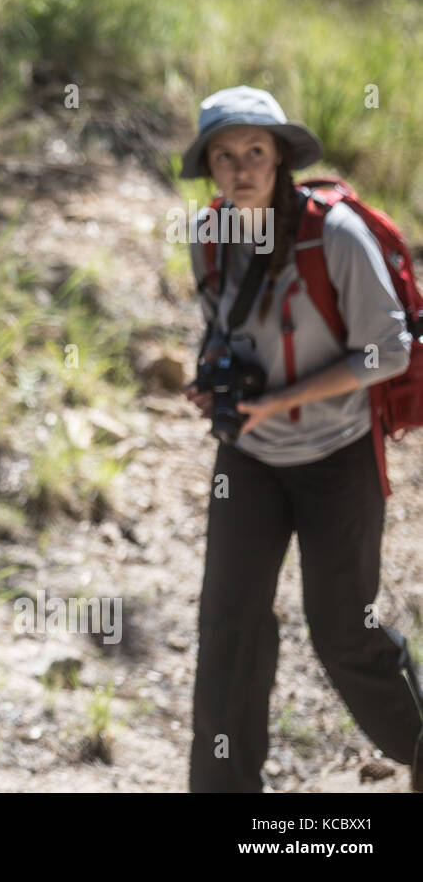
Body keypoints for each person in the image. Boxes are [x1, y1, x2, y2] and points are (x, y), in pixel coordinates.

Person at [180, 86, 423, 792]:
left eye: (255, 151)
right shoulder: (208, 235)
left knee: (345, 629)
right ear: (210, 166)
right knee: (229, 624)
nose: (240, 167)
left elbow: (392, 352)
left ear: (280, 156)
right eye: (224, 156)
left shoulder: (334, 235)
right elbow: (224, 333)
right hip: (249, 459)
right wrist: (211, 384)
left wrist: (284, 398)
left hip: (338, 456)